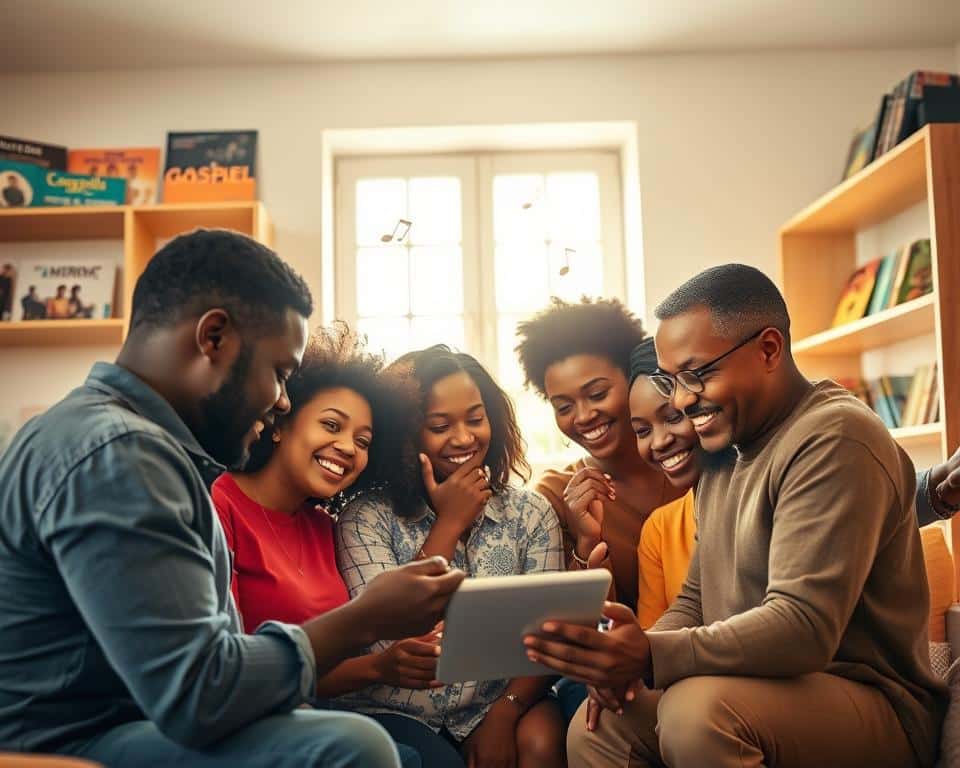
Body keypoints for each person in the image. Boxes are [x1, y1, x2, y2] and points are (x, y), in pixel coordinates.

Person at [0, 229, 465, 768]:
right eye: (279, 373)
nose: (282, 400)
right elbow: (202, 695)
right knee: (351, 749)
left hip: (124, 723)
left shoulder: (124, 440)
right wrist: (364, 619)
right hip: (67, 742)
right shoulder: (123, 454)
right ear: (213, 338)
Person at [525, 263, 947, 768]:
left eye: (696, 375)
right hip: (764, 689)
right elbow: (697, 599)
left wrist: (652, 655)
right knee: (600, 726)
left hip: (869, 701)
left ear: (768, 349)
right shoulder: (726, 449)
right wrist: (627, 659)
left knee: (695, 712)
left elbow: (803, 627)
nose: (682, 400)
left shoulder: (834, 436)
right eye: (672, 380)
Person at [212, 324, 440, 763]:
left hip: (318, 713)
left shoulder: (322, 526)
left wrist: (385, 665)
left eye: (363, 441)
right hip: (243, 724)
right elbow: (227, 673)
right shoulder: (220, 503)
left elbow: (322, 662)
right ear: (281, 422)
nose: (347, 448)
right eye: (331, 425)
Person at [337, 345, 566, 768]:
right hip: (399, 710)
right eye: (439, 425)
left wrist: (506, 712)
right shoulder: (366, 517)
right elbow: (393, 637)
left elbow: (550, 633)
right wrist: (449, 525)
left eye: (476, 419)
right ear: (406, 435)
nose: (464, 438)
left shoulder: (530, 513)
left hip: (499, 699)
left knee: (540, 742)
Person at [515, 298, 684, 609]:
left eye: (597, 394)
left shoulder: (690, 463)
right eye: (563, 407)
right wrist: (586, 545)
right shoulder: (555, 497)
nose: (582, 416)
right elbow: (570, 621)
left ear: (632, 380)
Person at [627, 338, 702, 630]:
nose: (659, 441)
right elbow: (652, 646)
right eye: (642, 430)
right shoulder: (659, 529)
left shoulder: (766, 498)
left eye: (673, 417)